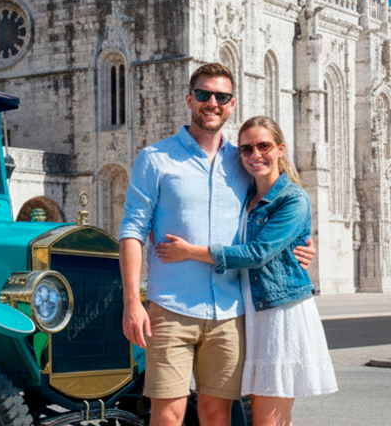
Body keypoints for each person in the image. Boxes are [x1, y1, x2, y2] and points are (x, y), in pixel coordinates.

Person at [118, 63, 315, 426]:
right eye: (204, 94)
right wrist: (133, 302)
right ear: (189, 99)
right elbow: (132, 230)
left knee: (216, 412)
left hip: (230, 311)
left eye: (221, 96)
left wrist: (302, 241)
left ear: (232, 103)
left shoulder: (242, 159)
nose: (212, 102)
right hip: (171, 306)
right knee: (168, 412)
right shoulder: (155, 158)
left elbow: (276, 203)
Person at [155, 116, 336, 426]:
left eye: (264, 146)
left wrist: (190, 252)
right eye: (246, 149)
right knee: (266, 416)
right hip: (250, 313)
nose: (255, 155)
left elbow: (258, 253)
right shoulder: (246, 196)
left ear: (280, 149)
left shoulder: (292, 198)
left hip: (280, 313)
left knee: (268, 419)